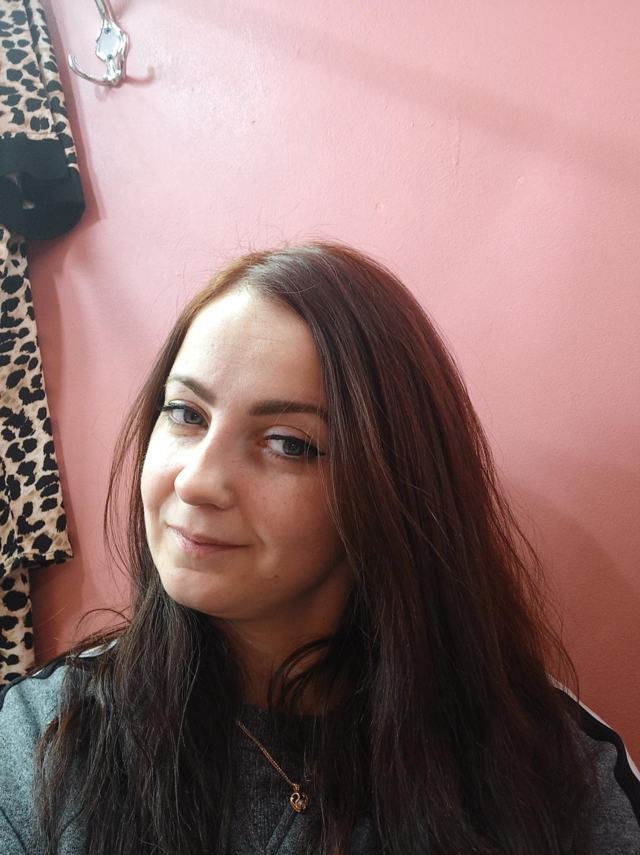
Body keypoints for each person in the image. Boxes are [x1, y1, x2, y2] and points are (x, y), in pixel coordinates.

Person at [0, 240, 638, 855]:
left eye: (287, 443)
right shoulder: (40, 739)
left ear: (390, 486)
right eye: (187, 414)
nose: (195, 481)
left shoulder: (552, 765)